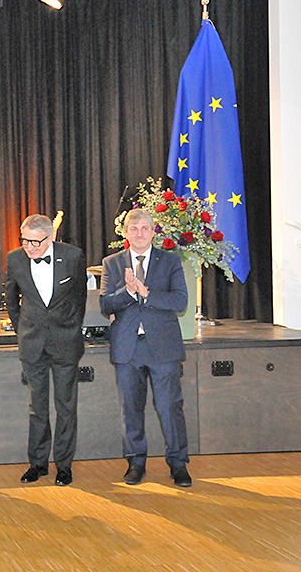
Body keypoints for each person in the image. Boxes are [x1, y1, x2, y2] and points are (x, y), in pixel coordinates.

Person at [100, 208, 192, 487]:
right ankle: (135, 462)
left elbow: (180, 302)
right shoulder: (112, 263)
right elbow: (105, 304)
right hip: (127, 348)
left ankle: (178, 464)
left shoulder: (170, 261)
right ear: (125, 233)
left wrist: (146, 293)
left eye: (144, 229)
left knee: (169, 407)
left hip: (163, 348)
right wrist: (128, 292)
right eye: (134, 229)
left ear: (153, 232)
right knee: (130, 409)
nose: (139, 234)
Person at [4, 214, 88, 486]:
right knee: (36, 407)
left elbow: (80, 298)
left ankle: (64, 465)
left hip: (65, 342)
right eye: (25, 240)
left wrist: (71, 328)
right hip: (32, 343)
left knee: (66, 407)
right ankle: (37, 464)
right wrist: (22, 330)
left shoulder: (73, 256)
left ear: (50, 238)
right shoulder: (15, 259)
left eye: (35, 242)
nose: (29, 247)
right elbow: (11, 301)